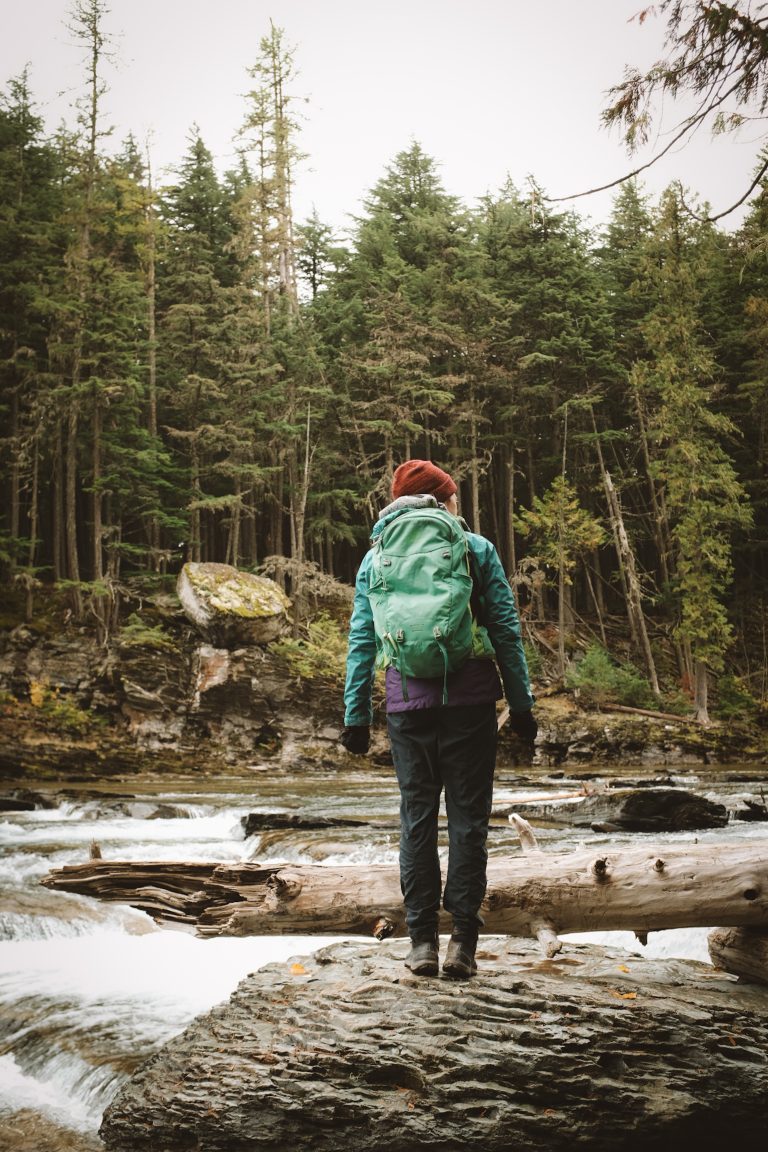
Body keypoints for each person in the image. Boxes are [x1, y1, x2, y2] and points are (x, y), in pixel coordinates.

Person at [340, 459, 536, 979]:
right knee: (470, 822)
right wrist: (522, 706)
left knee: (417, 819)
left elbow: (362, 640)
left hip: (407, 704)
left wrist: (355, 714)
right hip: (471, 702)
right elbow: (506, 632)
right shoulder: (475, 550)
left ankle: (421, 942)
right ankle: (462, 946)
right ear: (442, 499)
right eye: (453, 496)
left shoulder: (375, 557)